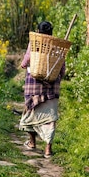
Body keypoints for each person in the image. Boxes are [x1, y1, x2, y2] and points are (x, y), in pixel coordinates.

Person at [19, 21, 65, 158]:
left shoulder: (35, 42)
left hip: (34, 85)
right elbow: (62, 69)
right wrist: (57, 77)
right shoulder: (58, 46)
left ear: (38, 31)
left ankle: (32, 143)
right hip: (52, 87)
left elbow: (26, 61)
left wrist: (23, 64)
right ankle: (47, 150)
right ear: (51, 32)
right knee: (50, 118)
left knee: (31, 113)